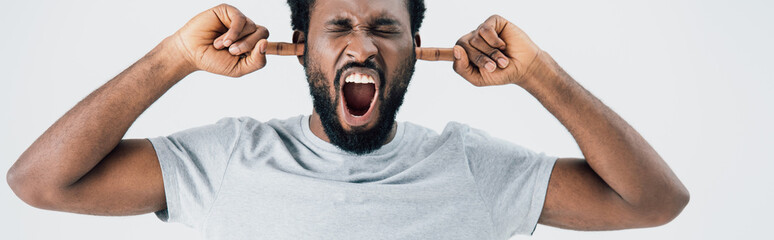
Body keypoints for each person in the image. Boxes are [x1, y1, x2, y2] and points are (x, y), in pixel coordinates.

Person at [6, 0, 689, 239]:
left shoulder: (474, 167)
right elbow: (41, 183)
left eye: (385, 27)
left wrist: (539, 73)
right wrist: (173, 58)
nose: (361, 44)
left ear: (417, 52)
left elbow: (656, 202)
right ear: (298, 48)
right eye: (338, 26)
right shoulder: (225, 159)